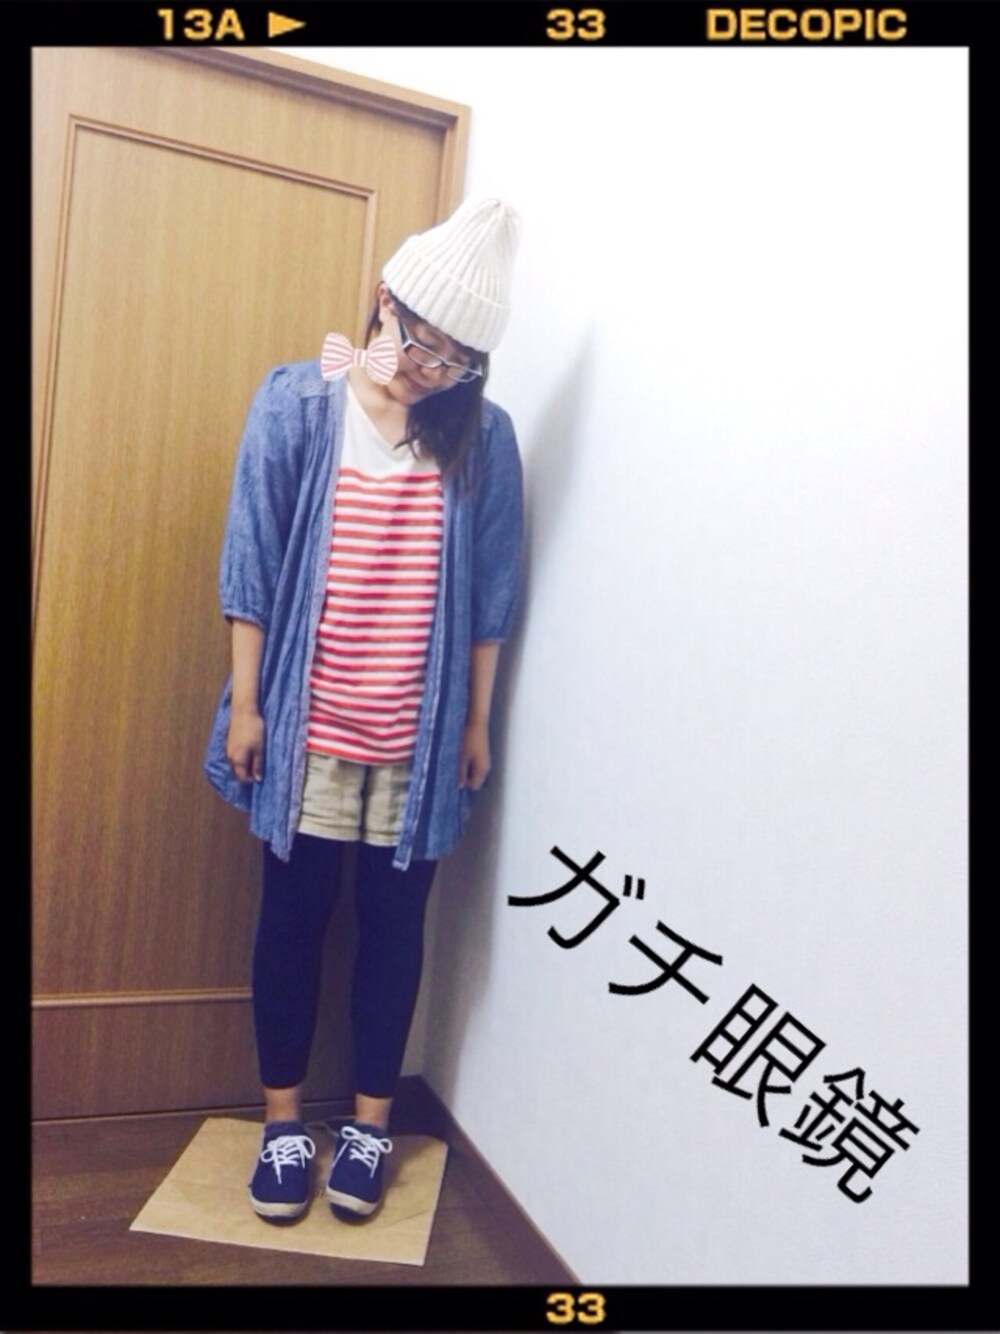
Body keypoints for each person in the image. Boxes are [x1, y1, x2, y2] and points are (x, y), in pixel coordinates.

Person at [204, 198, 523, 1225]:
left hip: (417, 739)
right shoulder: (299, 402)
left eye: (458, 362)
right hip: (306, 724)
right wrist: (247, 705)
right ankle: (284, 1124)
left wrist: (474, 722)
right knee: (292, 920)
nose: (432, 372)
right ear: (385, 300)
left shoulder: (483, 436)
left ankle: (372, 1125)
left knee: (393, 928)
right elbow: (250, 560)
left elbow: (491, 595)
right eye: (424, 346)